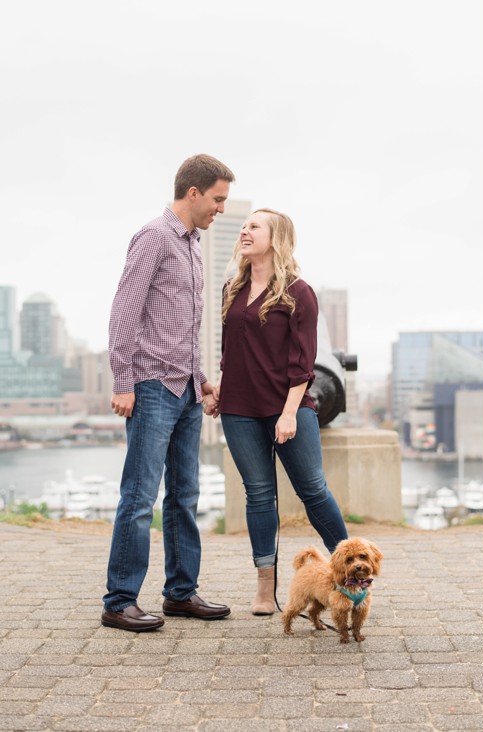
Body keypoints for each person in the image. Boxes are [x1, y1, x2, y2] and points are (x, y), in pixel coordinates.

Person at [101, 154, 236, 632]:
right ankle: (119, 600)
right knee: (139, 496)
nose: (221, 208)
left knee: (184, 496)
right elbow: (125, 313)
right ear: (193, 192)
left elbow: (180, 328)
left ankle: (180, 593)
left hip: (186, 391)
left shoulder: (196, 246)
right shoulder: (154, 238)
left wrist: (202, 380)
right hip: (152, 388)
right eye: (218, 199)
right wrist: (122, 381)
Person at [207, 207, 348, 616]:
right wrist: (220, 387)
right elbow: (230, 350)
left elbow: (303, 361)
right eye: (244, 226)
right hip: (238, 409)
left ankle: (350, 572)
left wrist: (289, 414)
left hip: (288, 406)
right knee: (259, 495)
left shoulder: (299, 292)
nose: (244, 231)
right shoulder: (231, 288)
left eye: (254, 226)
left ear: (276, 237)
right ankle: (266, 589)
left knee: (313, 491)